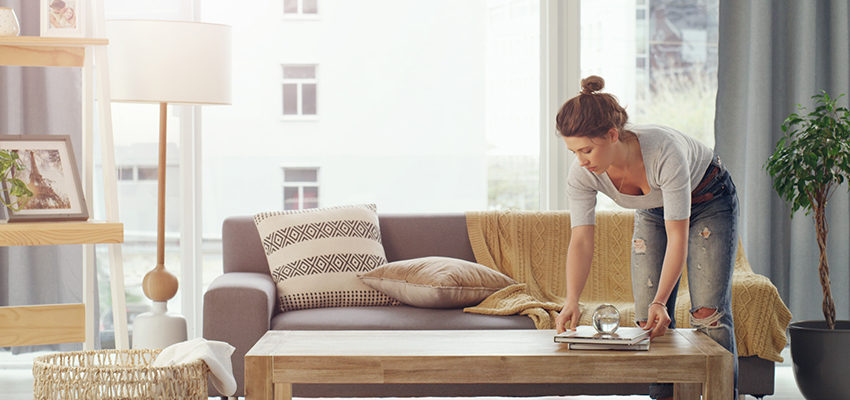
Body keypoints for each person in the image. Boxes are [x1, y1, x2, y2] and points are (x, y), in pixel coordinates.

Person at [553, 75, 738, 400]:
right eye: (573, 152)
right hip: (655, 209)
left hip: (709, 199)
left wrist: (660, 299)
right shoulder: (582, 173)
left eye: (587, 150)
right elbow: (581, 240)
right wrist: (572, 300)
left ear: (612, 135)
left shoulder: (663, 152)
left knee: (708, 316)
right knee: (647, 322)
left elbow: (677, 236)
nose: (581, 161)